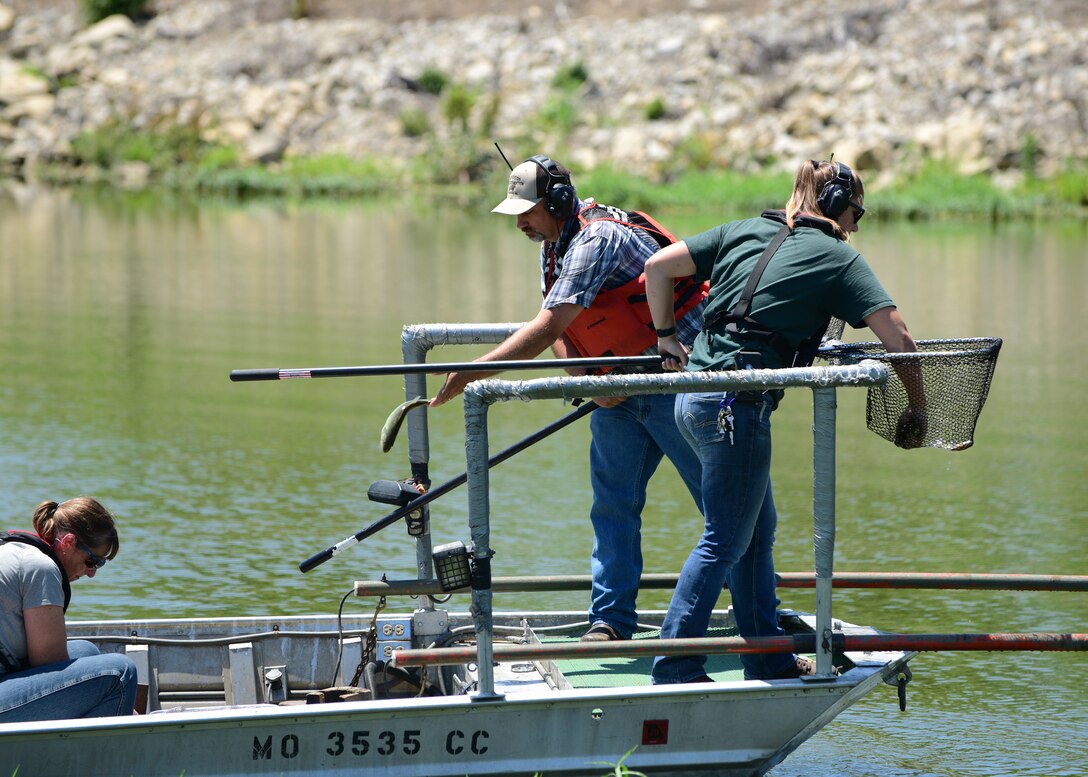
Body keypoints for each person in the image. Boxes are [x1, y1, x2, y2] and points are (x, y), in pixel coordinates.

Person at [644, 158, 927, 683]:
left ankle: (766, 655)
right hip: (737, 405)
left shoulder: (741, 230)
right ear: (838, 204)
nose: (857, 225)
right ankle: (676, 661)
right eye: (858, 212)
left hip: (691, 397)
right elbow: (899, 338)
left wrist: (665, 336)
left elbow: (657, 267)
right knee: (724, 539)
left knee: (755, 531)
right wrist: (919, 406)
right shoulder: (838, 256)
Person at [430, 154, 707, 642]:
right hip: (618, 392)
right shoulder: (555, 245)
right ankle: (611, 622)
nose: (520, 224)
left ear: (557, 202)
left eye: (527, 212)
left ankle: (758, 617)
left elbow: (544, 329)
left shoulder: (598, 239)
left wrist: (470, 373)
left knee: (722, 508)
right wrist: (586, 380)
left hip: (678, 384)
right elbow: (558, 320)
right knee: (612, 508)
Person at [0, 497, 138, 721]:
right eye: (93, 561)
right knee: (119, 674)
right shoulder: (41, 569)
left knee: (86, 651)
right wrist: (124, 705)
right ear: (68, 542)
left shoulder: (15, 550)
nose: (92, 573)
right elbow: (49, 665)